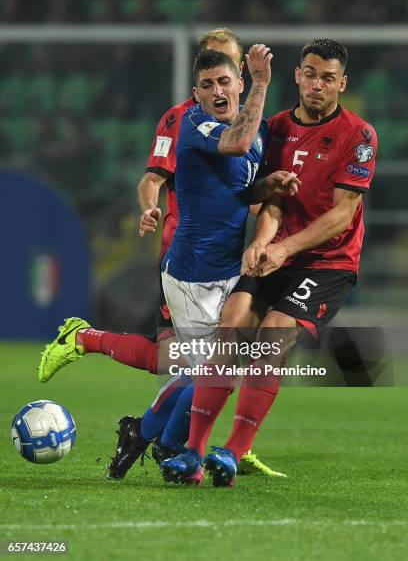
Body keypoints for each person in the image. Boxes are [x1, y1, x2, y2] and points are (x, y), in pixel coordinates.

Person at [38, 31, 297, 479]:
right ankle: (166, 438)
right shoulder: (191, 123)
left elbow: (238, 185)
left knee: (192, 366)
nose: (217, 91)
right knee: (198, 368)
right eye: (207, 84)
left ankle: (156, 433)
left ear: (237, 78)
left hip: (229, 271)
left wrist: (265, 190)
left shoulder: (258, 132)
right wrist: (150, 206)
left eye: (225, 80)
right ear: (195, 91)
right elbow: (165, 172)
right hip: (191, 273)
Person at [162, 38, 378, 487]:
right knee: (233, 327)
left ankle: (234, 450)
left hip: (327, 264)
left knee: (272, 338)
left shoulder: (359, 136)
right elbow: (273, 200)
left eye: (329, 78)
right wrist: (261, 242)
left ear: (343, 83)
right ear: (297, 75)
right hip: (280, 254)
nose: (318, 85)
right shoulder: (275, 128)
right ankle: (193, 453)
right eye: (311, 74)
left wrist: (282, 248)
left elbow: (343, 214)